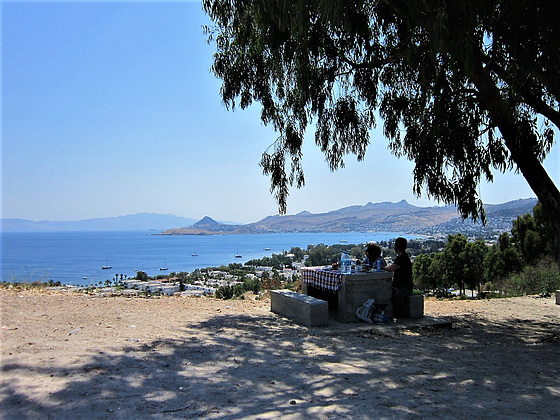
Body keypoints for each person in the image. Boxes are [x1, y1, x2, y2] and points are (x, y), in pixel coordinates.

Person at [382, 237, 413, 317]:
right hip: (398, 284)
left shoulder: (403, 259)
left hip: (405, 286)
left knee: (397, 298)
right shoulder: (399, 258)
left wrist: (383, 267)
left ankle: (402, 315)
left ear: (397, 247)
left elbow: (391, 268)